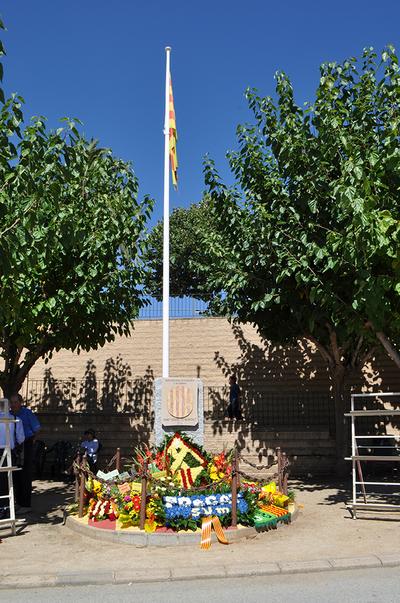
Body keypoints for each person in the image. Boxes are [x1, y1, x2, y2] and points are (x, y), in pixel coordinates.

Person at [10, 393, 41, 513]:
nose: (13, 405)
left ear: (20, 402)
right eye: (11, 402)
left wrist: (31, 442)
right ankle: (18, 503)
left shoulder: (27, 413)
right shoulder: (9, 414)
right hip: (14, 446)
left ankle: (26, 505)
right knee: (15, 475)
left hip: (26, 445)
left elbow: (37, 429)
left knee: (25, 475)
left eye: (15, 402)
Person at [0, 402, 25, 518]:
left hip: (5, 451)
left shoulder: (16, 419)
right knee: (8, 481)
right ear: (8, 407)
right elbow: (21, 438)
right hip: (8, 452)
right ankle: (6, 507)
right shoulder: (16, 419)